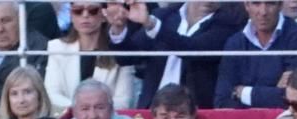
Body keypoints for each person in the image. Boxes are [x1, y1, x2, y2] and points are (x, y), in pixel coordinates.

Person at [105, 0, 249, 110]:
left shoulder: (229, 23)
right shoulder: (164, 15)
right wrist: (119, 28)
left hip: (193, 113)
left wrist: (151, 25)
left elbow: (193, 49)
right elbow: (127, 57)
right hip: (152, 109)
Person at [45, 2, 136, 113]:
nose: (85, 15)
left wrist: (92, 111)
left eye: (92, 10)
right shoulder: (56, 47)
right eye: (78, 10)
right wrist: (81, 110)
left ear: (103, 15)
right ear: (71, 15)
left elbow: (124, 101)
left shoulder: (119, 51)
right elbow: (51, 94)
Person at [214, 0, 297, 107]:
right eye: (256, 3)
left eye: (270, 3)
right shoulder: (235, 43)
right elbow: (221, 101)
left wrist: (241, 92)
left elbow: (293, 97)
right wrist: (273, 92)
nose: (263, 12)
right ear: (246, 5)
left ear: (280, 5)